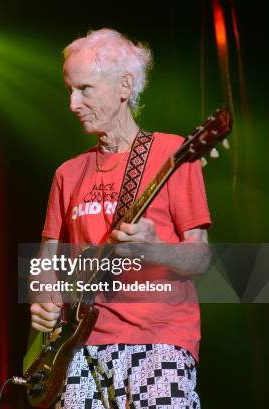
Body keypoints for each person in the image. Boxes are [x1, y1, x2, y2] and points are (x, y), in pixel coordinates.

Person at [29, 29, 212, 409]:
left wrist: (156, 249)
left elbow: (201, 258)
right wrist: (43, 298)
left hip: (162, 340)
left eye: (85, 89)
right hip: (78, 348)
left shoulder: (172, 152)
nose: (73, 104)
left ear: (125, 85)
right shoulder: (67, 173)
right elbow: (47, 259)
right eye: (69, 90)